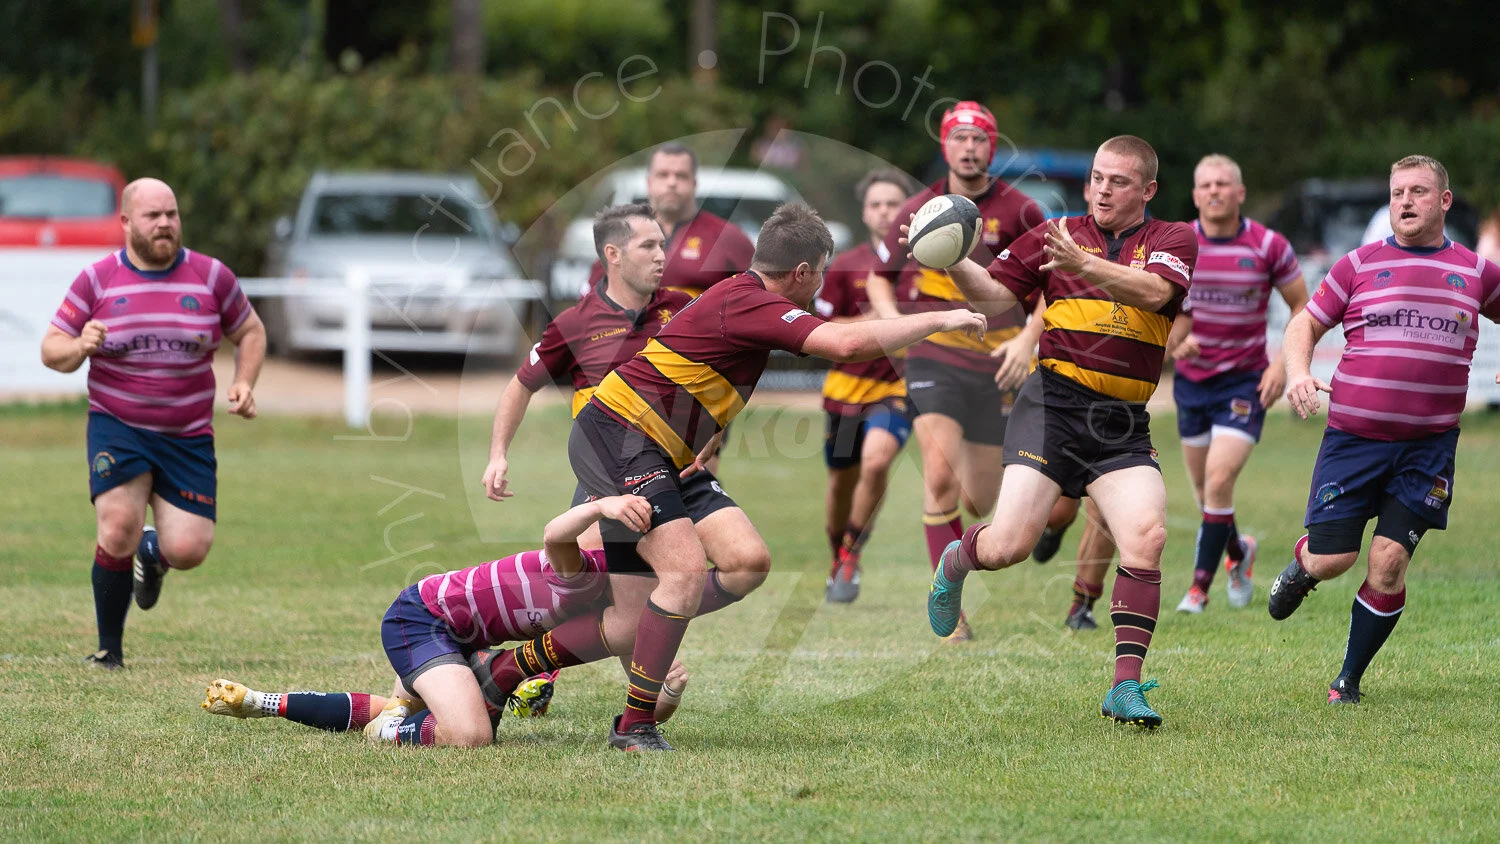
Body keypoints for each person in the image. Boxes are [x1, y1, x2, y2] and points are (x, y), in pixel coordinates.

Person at [474, 202, 986, 751]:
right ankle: (634, 726)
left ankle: (504, 671)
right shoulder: (750, 300)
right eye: (819, 272)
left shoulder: (742, 297)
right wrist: (941, 319)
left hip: (666, 452)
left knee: (741, 565)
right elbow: (845, 345)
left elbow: (699, 366)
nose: (819, 283)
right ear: (801, 272)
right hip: (619, 440)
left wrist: (708, 431)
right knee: (683, 575)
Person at [924, 135, 1199, 728]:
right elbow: (996, 296)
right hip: (1053, 406)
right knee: (1008, 547)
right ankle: (957, 560)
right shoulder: (1056, 234)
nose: (1102, 189)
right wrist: (950, 256)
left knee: (1147, 537)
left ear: (1148, 190)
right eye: (1097, 177)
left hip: (1122, 422)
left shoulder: (1173, 239)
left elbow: (1156, 293)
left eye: (1118, 181)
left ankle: (1125, 686)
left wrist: (1084, 265)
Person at [1273, 155, 1500, 705]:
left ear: (1444, 201)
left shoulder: (1476, 271)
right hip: (1353, 440)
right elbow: (1305, 324)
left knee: (1389, 561)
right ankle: (1304, 565)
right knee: (1334, 559)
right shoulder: (1357, 264)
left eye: (1418, 191)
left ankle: (1347, 680)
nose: (1405, 201)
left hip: (1429, 446)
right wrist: (1299, 372)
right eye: (1398, 192)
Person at [201, 496, 690, 745]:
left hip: (459, 638)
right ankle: (388, 736)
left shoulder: (620, 611)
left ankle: (260, 702)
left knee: (402, 708)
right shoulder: (584, 575)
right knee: (469, 735)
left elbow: (645, 702)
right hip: (421, 619)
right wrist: (600, 506)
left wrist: (668, 690)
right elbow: (554, 535)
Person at [40, 177, 266, 670]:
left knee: (188, 549)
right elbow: (51, 349)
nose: (165, 224)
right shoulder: (97, 280)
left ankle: (153, 551)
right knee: (117, 526)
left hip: (188, 434)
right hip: (117, 424)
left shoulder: (211, 276)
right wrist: (80, 346)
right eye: (153, 216)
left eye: (172, 214)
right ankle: (109, 651)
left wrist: (244, 382)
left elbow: (250, 331)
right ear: (126, 222)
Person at [865, 101, 1046, 641]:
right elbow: (878, 277)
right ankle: (952, 611)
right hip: (933, 357)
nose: (969, 148)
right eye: (959, 138)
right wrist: (896, 326)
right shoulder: (919, 208)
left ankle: (956, 557)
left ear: (992, 146)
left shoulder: (1021, 211)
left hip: (997, 364)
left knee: (980, 500)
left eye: (979, 138)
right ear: (944, 146)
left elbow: (1049, 288)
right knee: (939, 475)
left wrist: (1027, 342)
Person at [815, 169, 914, 602]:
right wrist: (873, 320)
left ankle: (851, 555)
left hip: (898, 389)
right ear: (864, 212)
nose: (885, 211)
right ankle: (837, 557)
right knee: (841, 482)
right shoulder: (846, 264)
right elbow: (819, 327)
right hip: (846, 391)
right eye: (876, 204)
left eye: (893, 203)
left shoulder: (926, 263)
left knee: (876, 463)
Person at [588, 143, 755, 300]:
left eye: (681, 176)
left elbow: (758, 301)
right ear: (649, 182)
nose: (672, 183)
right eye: (663, 175)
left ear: (694, 183)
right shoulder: (621, 236)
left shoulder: (728, 238)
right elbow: (590, 304)